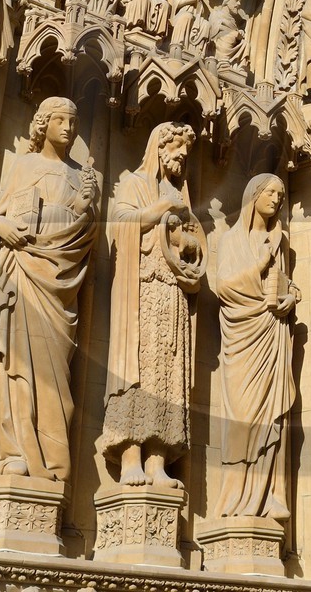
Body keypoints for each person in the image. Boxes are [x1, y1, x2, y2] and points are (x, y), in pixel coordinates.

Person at [0, 97, 100, 480]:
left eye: (74, 122)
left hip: (59, 283)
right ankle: (13, 449)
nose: (69, 128)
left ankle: (51, 459)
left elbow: (86, 235)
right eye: (60, 120)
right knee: (16, 363)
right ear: (43, 124)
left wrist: (87, 207)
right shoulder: (24, 165)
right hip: (21, 270)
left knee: (57, 376)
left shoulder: (82, 175)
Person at [101, 123, 205, 488]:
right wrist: (161, 208)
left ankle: (158, 461)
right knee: (139, 372)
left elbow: (192, 242)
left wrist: (188, 243)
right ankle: (131, 456)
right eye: (177, 150)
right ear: (159, 149)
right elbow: (122, 224)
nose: (181, 158)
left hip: (172, 293)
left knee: (168, 377)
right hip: (141, 292)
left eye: (185, 154)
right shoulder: (134, 184)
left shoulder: (179, 193)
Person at [209, 173, 298, 517]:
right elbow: (224, 287)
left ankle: (270, 496)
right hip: (243, 340)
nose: (276, 199)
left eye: (281, 194)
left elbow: (282, 285)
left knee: (274, 415)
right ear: (254, 196)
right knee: (243, 416)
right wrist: (259, 266)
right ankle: (236, 499)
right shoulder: (232, 240)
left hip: (274, 334)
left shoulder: (280, 239)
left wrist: (290, 298)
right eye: (270, 193)